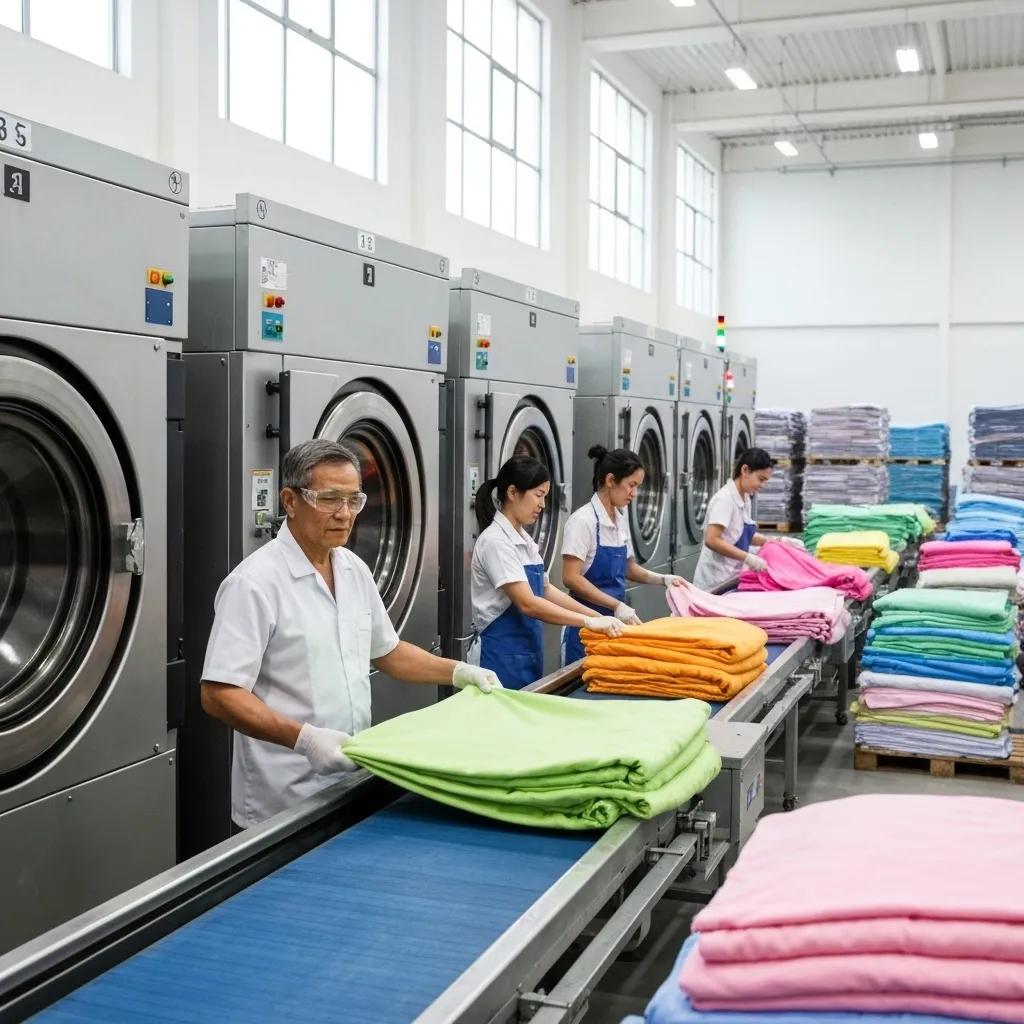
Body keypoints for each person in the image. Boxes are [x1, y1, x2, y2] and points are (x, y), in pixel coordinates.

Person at [200, 439, 501, 830]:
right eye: (329, 499)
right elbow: (219, 694)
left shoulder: (352, 569)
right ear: (290, 501)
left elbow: (387, 652)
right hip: (283, 798)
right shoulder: (254, 584)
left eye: (353, 500)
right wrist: (304, 739)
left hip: (351, 779)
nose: (344, 514)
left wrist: (459, 672)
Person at [471, 455, 624, 689]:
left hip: (526, 653)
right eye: (538, 495)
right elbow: (528, 603)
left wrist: (597, 617)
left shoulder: (524, 540)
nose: (542, 505)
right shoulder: (495, 541)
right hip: (498, 659)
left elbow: (545, 589)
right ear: (513, 493)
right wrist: (586, 620)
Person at [560, 445, 687, 664]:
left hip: (614, 624)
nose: (635, 493)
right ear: (611, 480)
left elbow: (628, 568)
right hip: (586, 626)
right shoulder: (583, 521)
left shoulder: (619, 519)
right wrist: (616, 605)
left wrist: (663, 580)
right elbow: (571, 578)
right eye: (631, 485)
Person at [693, 446, 802, 591]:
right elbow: (712, 539)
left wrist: (778, 541)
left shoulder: (745, 498)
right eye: (761, 479)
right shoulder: (725, 499)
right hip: (714, 582)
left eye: (766, 481)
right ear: (745, 470)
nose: (762, 485)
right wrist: (748, 558)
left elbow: (742, 534)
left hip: (731, 577)